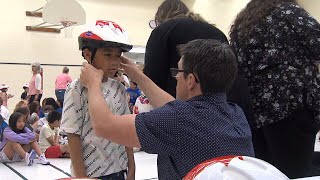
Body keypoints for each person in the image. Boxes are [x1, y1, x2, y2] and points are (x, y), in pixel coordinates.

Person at [80, 39, 254, 179]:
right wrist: (138, 75)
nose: (176, 76)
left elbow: (104, 126)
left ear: (191, 80)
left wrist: (93, 83)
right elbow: (179, 113)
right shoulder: (236, 114)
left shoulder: (178, 120)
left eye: (178, 71)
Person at [229, 0, 320, 178]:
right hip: (291, 103)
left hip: (256, 110)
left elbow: (237, 63)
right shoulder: (289, 12)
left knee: (267, 172)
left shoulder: (244, 21)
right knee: (297, 172)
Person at [60, 20, 135, 179]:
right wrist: (81, 177)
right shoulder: (76, 89)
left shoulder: (119, 88)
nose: (115, 62)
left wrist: (132, 166)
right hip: (92, 174)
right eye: (108, 55)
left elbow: (126, 130)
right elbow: (73, 135)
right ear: (88, 54)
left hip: (119, 170)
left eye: (118, 56)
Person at [143, 0, 228, 97]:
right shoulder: (218, 33)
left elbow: (151, 77)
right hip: (216, 103)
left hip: (174, 103)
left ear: (160, 17)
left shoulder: (163, 31)